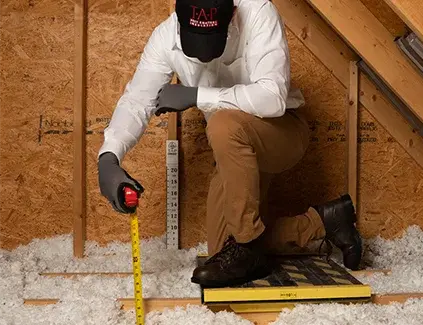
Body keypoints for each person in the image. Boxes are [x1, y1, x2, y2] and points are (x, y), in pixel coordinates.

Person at [97, 0, 363, 288]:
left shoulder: (258, 12)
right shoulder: (164, 37)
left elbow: (272, 97)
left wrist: (197, 96)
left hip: (280, 133)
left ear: (233, 13)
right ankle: (325, 223)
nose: (202, 58)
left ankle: (248, 246)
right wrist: (109, 156)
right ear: (178, 16)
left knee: (223, 123)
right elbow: (137, 101)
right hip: (232, 153)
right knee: (221, 251)